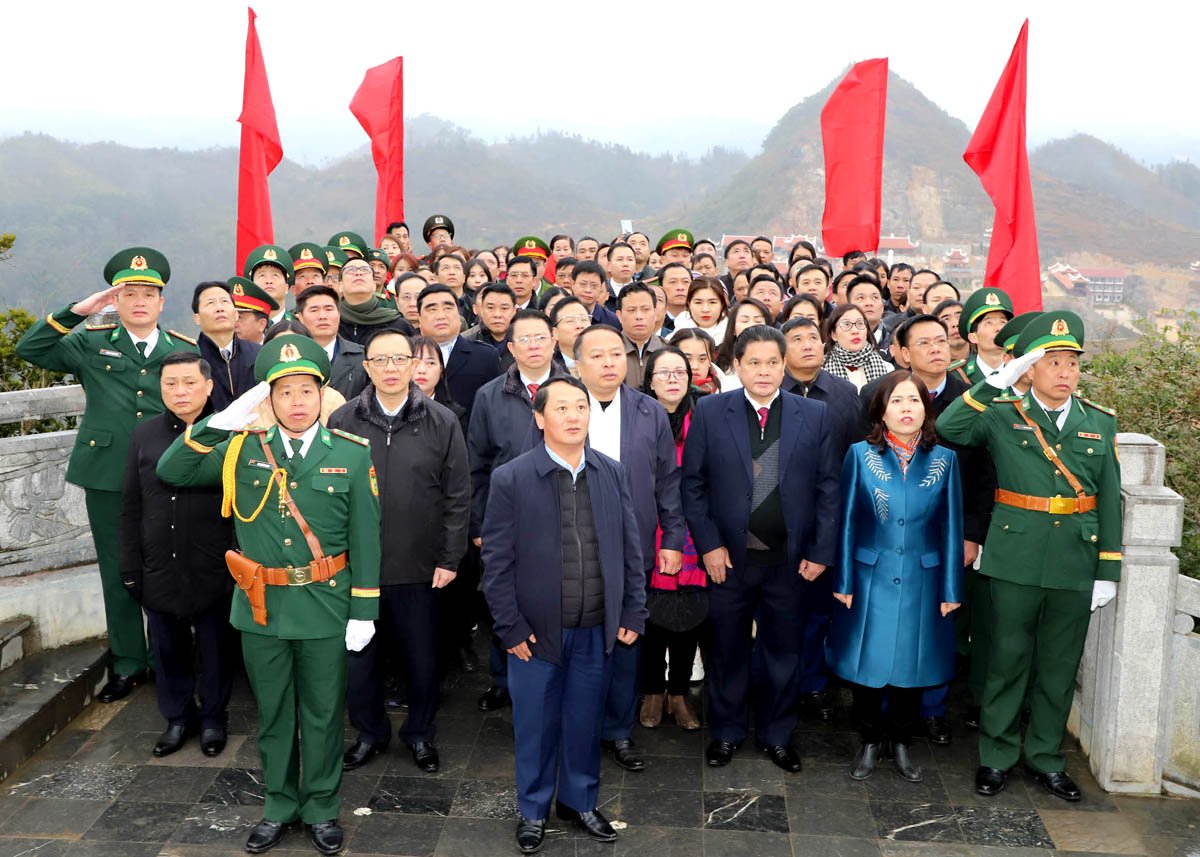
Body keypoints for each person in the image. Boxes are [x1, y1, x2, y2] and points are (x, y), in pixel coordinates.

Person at [156, 335, 381, 855]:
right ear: (268, 399)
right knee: (275, 714)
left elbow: (368, 539)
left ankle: (322, 806)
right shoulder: (241, 450)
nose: (296, 401)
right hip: (261, 608)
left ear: (322, 395)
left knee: (324, 714)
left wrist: (363, 610)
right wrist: (219, 422)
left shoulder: (348, 456)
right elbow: (172, 471)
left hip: (327, 605)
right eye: (284, 392)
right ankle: (279, 804)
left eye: (307, 389)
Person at [937, 311, 1121, 803]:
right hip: (1015, 556)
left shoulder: (1099, 422)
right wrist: (998, 379)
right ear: (1030, 368)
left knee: (1059, 666)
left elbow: (1107, 498)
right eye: (1052, 362)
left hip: (1073, 562)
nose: (1065, 373)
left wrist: (1108, 568)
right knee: (1007, 660)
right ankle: (996, 756)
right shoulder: (1002, 415)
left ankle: (1045, 758)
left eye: (1072, 364)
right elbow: (950, 427)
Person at [16, 246, 198, 702]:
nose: (139, 300)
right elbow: (30, 347)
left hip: (166, 474)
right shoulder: (91, 342)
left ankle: (166, 658)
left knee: (166, 565)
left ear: (161, 302)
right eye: (127, 293)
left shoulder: (183, 350)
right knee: (118, 570)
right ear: (114, 301)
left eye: (148, 293)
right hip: (106, 473)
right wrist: (80, 311)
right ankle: (128, 662)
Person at [481, 377, 647, 854]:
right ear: (540, 418)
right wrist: (510, 626)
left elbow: (630, 550)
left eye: (582, 406)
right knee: (534, 724)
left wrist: (633, 611)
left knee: (584, 720)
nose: (574, 416)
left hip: (597, 627)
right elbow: (496, 563)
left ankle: (579, 802)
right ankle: (533, 809)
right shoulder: (512, 478)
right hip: (534, 634)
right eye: (562, 408)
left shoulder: (611, 472)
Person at [681, 325, 840, 772]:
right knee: (727, 651)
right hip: (729, 561)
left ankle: (777, 734)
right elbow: (692, 485)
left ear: (784, 364)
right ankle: (727, 732)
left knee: (783, 653)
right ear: (737, 365)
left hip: (791, 562)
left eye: (773, 362)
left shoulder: (814, 415)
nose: (764, 371)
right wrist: (709, 545)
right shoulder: (711, 411)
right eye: (754, 362)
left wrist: (821, 551)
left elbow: (829, 489)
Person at [334, 330, 469, 775]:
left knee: (423, 660)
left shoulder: (441, 420)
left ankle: (420, 733)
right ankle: (369, 732)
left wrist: (449, 559)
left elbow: (457, 496)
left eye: (399, 359)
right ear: (366, 367)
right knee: (360, 661)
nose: (391, 368)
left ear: (414, 365)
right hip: (358, 568)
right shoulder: (342, 420)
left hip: (422, 568)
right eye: (380, 360)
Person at [828, 372, 963, 782]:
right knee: (867, 664)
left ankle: (902, 742)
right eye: (898, 402)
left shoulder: (945, 460)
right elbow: (847, 520)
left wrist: (951, 587)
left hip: (924, 579)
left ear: (927, 409)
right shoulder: (860, 455)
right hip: (871, 578)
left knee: (913, 665)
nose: (907, 409)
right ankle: (869, 740)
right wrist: (845, 580)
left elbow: (951, 527)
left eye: (915, 401)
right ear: (881, 411)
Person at [570, 325, 685, 773]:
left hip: (629, 543)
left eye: (616, 354)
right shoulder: (560, 405)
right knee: (576, 641)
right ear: (577, 364)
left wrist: (672, 538)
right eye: (596, 356)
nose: (608, 363)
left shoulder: (648, 411)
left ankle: (618, 730)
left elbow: (667, 481)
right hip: (571, 543)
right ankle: (578, 727)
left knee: (626, 636)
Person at [119, 352, 238, 758]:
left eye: (189, 382)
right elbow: (131, 504)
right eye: (170, 383)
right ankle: (177, 717)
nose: (180, 391)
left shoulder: (229, 432)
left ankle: (213, 719)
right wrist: (131, 565)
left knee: (217, 646)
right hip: (159, 561)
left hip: (214, 563)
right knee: (167, 647)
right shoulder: (144, 434)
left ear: (208, 386)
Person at [468, 310, 569, 711]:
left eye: (540, 337)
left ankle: (555, 673)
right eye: (523, 339)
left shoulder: (573, 390)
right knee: (502, 594)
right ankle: (502, 679)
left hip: (563, 510)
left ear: (554, 340)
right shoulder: (490, 395)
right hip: (506, 513)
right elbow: (476, 464)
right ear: (510, 348)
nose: (533, 345)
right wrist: (478, 523)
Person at [638, 347, 706, 731]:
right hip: (649, 525)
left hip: (694, 526)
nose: (673, 379)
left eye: (680, 371)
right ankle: (651, 690)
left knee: (688, 613)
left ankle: (678, 693)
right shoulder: (636, 415)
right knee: (651, 612)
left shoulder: (707, 415)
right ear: (649, 380)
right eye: (663, 373)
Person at [418, 285, 503, 425]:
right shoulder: (404, 356)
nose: (441, 316)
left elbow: (495, 411)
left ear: (459, 315)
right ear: (419, 318)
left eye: (448, 308)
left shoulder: (485, 357)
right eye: (432, 309)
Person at [192, 280, 261, 411]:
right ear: (197, 318)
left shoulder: (258, 354)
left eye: (225, 302)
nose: (219, 308)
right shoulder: (190, 358)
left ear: (235, 315)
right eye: (210, 303)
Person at [294, 285, 369, 401]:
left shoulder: (362, 357)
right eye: (314, 310)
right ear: (300, 318)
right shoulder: (291, 358)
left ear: (339, 314)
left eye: (329, 309)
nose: (322, 316)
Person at [338, 259, 414, 345]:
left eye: (365, 270)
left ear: (374, 285)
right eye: (351, 270)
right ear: (340, 286)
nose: (358, 273)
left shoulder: (397, 324)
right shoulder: (330, 322)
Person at [822, 303, 893, 392]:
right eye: (846, 325)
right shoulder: (821, 371)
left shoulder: (887, 369)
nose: (855, 331)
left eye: (860, 324)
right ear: (833, 334)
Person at [956, 287, 1015, 383]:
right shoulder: (957, 375)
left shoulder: (1023, 373)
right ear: (973, 337)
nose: (998, 328)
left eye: (1002, 322)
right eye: (989, 323)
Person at [616, 283, 666, 388]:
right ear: (619, 316)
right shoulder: (608, 351)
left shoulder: (669, 349)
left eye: (645, 309)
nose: (639, 316)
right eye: (631, 310)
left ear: (655, 313)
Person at [244, 244, 294, 327]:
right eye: (262, 275)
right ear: (252, 285)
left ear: (286, 287)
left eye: (275, 275)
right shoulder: (242, 327)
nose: (269, 281)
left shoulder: (299, 326)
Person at [670, 328, 723, 395]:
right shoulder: (659, 392)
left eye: (702, 359)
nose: (695, 367)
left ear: (710, 360)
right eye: (687, 359)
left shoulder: (727, 389)